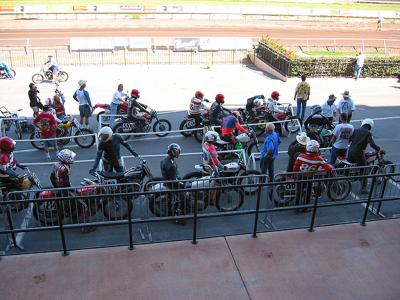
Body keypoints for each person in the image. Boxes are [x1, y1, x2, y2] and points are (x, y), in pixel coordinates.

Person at [293, 140, 333, 211]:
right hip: (310, 177)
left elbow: (295, 168)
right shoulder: (318, 159)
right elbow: (328, 168)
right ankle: (305, 208)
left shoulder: (300, 156)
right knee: (308, 193)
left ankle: (296, 207)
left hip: (300, 176)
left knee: (299, 191)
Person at [347, 118, 382, 194]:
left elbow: (350, 139)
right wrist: (378, 148)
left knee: (352, 167)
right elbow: (372, 144)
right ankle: (363, 188)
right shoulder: (368, 133)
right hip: (358, 153)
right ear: (370, 125)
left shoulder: (356, 130)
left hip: (350, 151)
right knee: (365, 169)